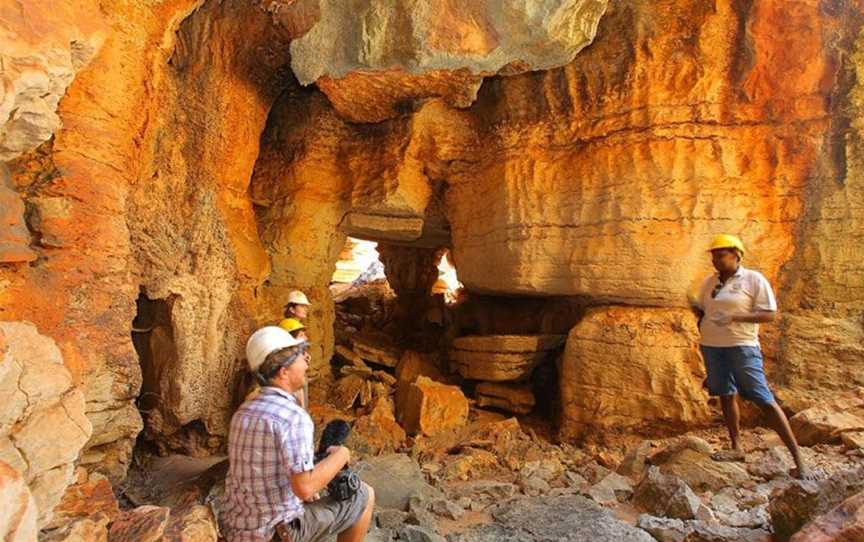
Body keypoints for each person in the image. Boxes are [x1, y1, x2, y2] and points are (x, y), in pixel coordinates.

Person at [222, 327, 375, 542]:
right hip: (276, 533)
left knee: (312, 499)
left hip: (239, 527)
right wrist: (341, 455)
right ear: (283, 371)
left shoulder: (244, 411)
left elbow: (267, 469)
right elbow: (305, 487)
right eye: (300, 356)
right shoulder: (292, 417)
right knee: (364, 495)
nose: (306, 361)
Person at [693, 234, 813, 479]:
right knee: (726, 394)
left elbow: (769, 314)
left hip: (742, 346)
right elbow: (706, 311)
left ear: (737, 254)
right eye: (714, 255)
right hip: (713, 346)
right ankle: (737, 447)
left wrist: (734, 318)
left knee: (763, 398)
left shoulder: (753, 279)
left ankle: (799, 459)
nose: (716, 259)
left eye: (721, 254)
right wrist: (698, 312)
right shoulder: (710, 282)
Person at [280, 290, 312, 409]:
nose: (305, 309)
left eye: (306, 307)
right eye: (302, 306)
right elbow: (293, 348)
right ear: (292, 309)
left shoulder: (288, 324)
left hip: (290, 368)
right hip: (293, 369)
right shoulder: (291, 326)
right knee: (298, 402)